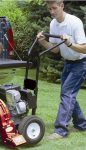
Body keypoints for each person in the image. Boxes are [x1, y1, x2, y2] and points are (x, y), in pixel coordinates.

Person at [37, 0, 86, 139]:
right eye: (49, 9)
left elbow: (84, 48)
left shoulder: (74, 22)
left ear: (62, 6)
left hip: (81, 63)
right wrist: (43, 42)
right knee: (68, 94)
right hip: (68, 63)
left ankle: (61, 130)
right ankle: (82, 124)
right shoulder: (53, 23)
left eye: (54, 8)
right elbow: (56, 49)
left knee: (67, 93)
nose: (52, 12)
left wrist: (70, 43)